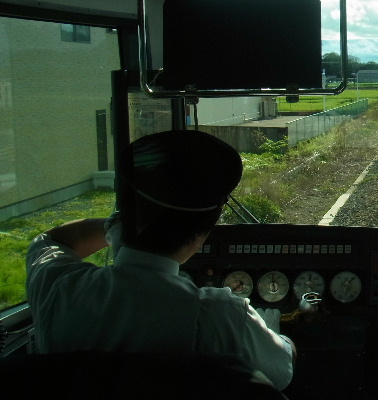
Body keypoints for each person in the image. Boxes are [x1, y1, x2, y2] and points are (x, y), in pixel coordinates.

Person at [25, 129, 295, 391]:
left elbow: (50, 241)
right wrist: (273, 330)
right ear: (201, 234)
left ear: (126, 210)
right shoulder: (219, 317)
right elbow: (282, 371)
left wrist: (116, 226)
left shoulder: (58, 288)